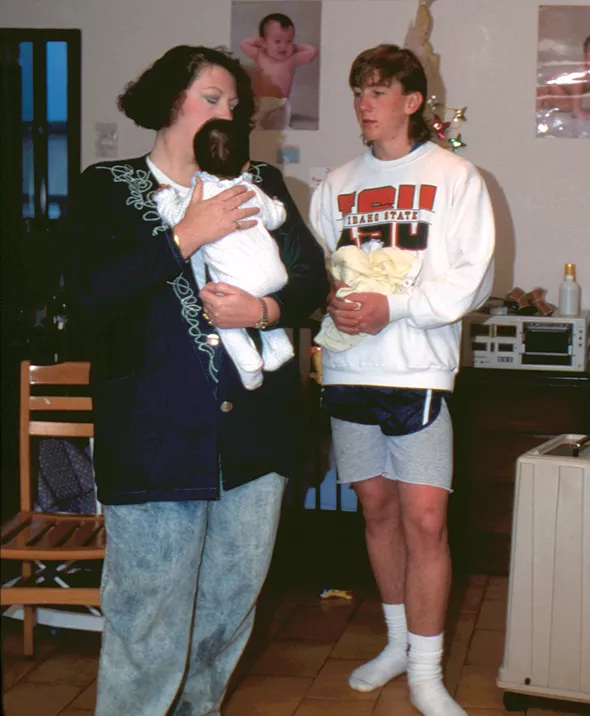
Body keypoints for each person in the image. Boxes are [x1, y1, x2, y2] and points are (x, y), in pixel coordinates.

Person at [63, 45, 329, 715]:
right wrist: (184, 235)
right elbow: (88, 296)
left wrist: (264, 311)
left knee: (227, 612)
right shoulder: (108, 186)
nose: (226, 113)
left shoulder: (260, 180)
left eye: (234, 104)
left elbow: (310, 279)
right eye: (212, 98)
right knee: (146, 618)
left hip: (257, 439)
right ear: (168, 101)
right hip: (153, 436)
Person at [308, 44, 495, 716]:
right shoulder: (334, 186)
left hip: (417, 373)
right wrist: (329, 298)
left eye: (379, 91)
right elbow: (317, 271)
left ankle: (426, 674)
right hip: (349, 370)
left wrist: (395, 308)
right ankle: (395, 645)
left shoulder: (455, 177)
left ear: (412, 101)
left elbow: (472, 279)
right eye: (359, 91)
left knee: (425, 520)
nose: (365, 103)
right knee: (377, 512)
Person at [154, 117, 293, 390]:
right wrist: (277, 205)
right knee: (259, 300)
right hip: (275, 275)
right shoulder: (251, 190)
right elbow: (276, 219)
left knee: (223, 315)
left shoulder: (199, 195)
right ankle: (279, 346)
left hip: (238, 283)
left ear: (199, 164)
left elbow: (176, 218)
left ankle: (249, 364)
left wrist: (164, 198)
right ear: (246, 165)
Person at [241, 13, 317, 129]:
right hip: (260, 101)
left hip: (280, 102)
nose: (283, 46)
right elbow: (244, 44)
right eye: (277, 41)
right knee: (255, 125)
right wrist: (263, 43)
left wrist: (294, 47)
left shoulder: (291, 60)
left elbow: (312, 51)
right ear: (264, 42)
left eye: (289, 41)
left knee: (281, 126)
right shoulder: (260, 55)